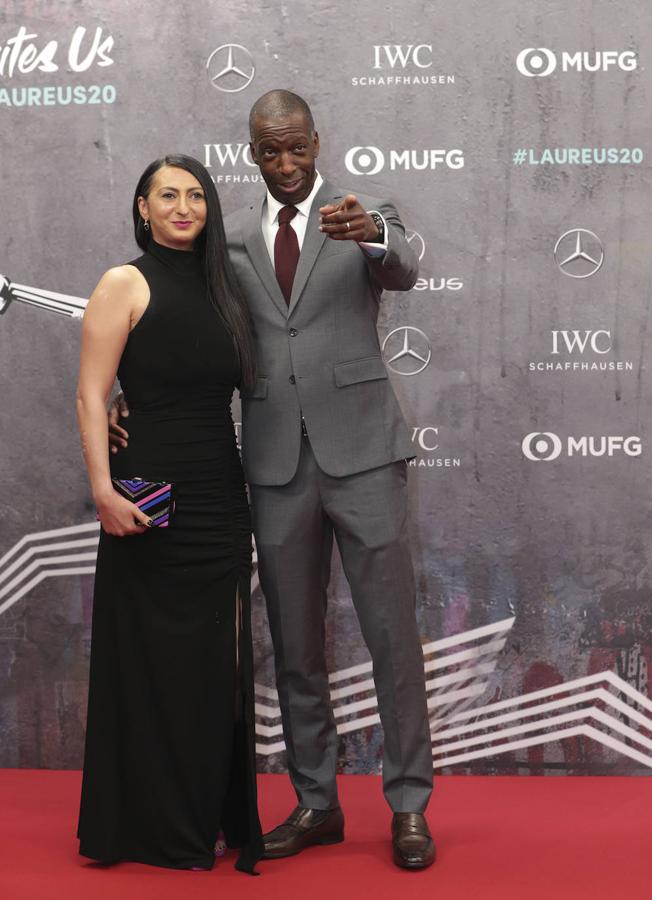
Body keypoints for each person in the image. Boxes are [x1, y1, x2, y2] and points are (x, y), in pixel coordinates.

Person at [111, 91, 435, 870]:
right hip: (273, 465)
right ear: (251, 154)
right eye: (268, 151)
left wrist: (375, 236)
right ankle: (318, 803)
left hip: (363, 454)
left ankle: (409, 805)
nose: (285, 165)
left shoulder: (363, 213)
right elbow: (189, 320)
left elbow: (404, 270)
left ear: (317, 142)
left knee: (391, 637)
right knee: (294, 645)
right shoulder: (232, 243)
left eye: (296, 148)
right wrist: (136, 386)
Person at [76, 154, 263, 873]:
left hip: (220, 493)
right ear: (142, 208)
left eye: (195, 195)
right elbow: (93, 395)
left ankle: (207, 815)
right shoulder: (124, 281)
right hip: (146, 495)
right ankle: (147, 826)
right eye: (167, 196)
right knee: (151, 659)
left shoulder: (226, 287)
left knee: (213, 663)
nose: (183, 207)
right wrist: (102, 489)